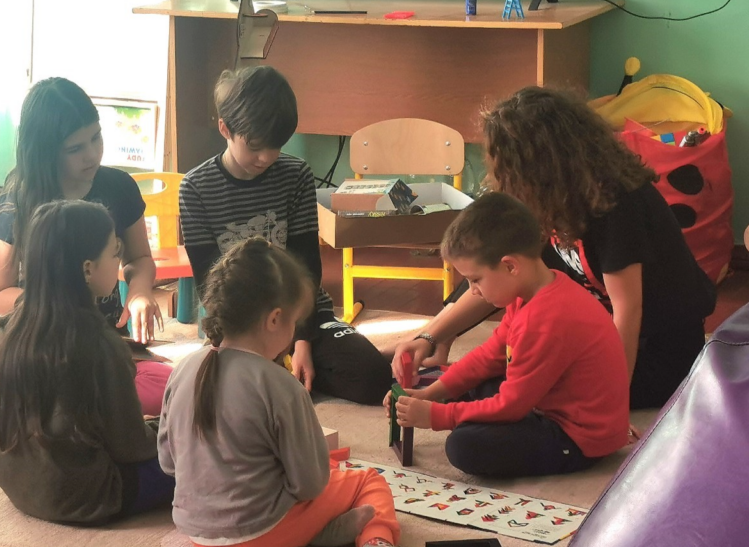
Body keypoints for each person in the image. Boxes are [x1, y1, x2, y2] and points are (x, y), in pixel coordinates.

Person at [393, 87, 716, 410]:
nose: (502, 177)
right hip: (594, 336)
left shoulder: (618, 204)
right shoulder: (548, 201)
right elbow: (491, 271)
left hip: (658, 351)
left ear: (542, 164)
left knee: (512, 390)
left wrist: (610, 403)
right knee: (498, 378)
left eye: (509, 167)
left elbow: (628, 314)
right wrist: (431, 336)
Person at [0, 77, 169, 418]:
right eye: (75, 148)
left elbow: (139, 258)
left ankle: (5, 409)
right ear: (46, 151)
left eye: (96, 137)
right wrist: (58, 307)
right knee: (65, 391)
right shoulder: (19, 200)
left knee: (170, 387)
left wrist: (139, 293)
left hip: (103, 342)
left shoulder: (118, 186)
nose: (92, 154)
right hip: (40, 344)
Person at [158, 237, 400, 547]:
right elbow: (309, 485)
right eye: (295, 321)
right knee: (367, 480)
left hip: (198, 536)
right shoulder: (281, 385)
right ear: (274, 319)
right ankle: (375, 540)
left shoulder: (182, 370)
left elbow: (168, 463)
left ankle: (317, 535)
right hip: (266, 532)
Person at [179, 66, 391, 405]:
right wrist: (251, 346)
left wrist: (301, 338)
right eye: (255, 146)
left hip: (301, 315)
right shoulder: (195, 188)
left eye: (277, 145)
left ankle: (297, 367)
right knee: (212, 394)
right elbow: (209, 285)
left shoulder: (296, 174)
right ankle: (287, 372)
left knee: (375, 378)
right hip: (238, 326)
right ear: (225, 129)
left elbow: (307, 266)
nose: (267, 157)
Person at [389, 193, 629, 477]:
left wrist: (436, 416)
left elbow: (512, 406)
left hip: (579, 439)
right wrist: (431, 394)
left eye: (475, 280)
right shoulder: (532, 293)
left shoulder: (543, 320)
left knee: (464, 446)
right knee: (473, 383)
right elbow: (488, 357)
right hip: (548, 402)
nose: (473, 291)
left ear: (510, 266)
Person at [0, 200, 174, 525]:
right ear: (87, 269)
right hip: (84, 495)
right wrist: (164, 430)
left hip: (15, 480)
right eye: (114, 253)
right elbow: (131, 448)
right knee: (201, 454)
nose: (118, 261)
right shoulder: (101, 344)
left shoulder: (11, 325)